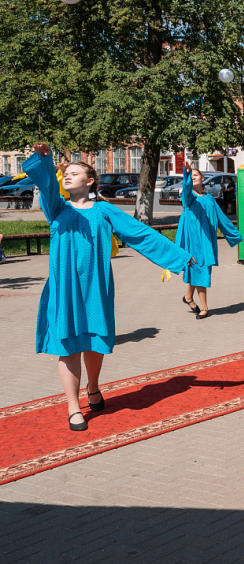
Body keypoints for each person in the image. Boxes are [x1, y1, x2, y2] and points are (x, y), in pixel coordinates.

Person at [23, 144, 192, 431]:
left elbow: (139, 234)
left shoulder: (104, 210)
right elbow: (48, 182)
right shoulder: (57, 207)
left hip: (95, 286)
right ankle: (73, 407)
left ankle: (94, 387)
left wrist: (179, 256)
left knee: (94, 342)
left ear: (89, 181)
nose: (67, 176)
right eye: (66, 173)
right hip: (65, 287)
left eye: (75, 173)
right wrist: (44, 158)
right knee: (67, 346)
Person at [175, 161, 243, 319]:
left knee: (197, 269)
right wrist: (186, 174)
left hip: (208, 240)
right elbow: (185, 189)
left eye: (195, 175)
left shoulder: (209, 199)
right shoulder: (189, 198)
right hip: (194, 240)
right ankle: (204, 307)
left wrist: (235, 234)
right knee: (201, 269)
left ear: (202, 178)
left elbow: (221, 218)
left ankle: (188, 298)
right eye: (191, 176)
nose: (193, 178)